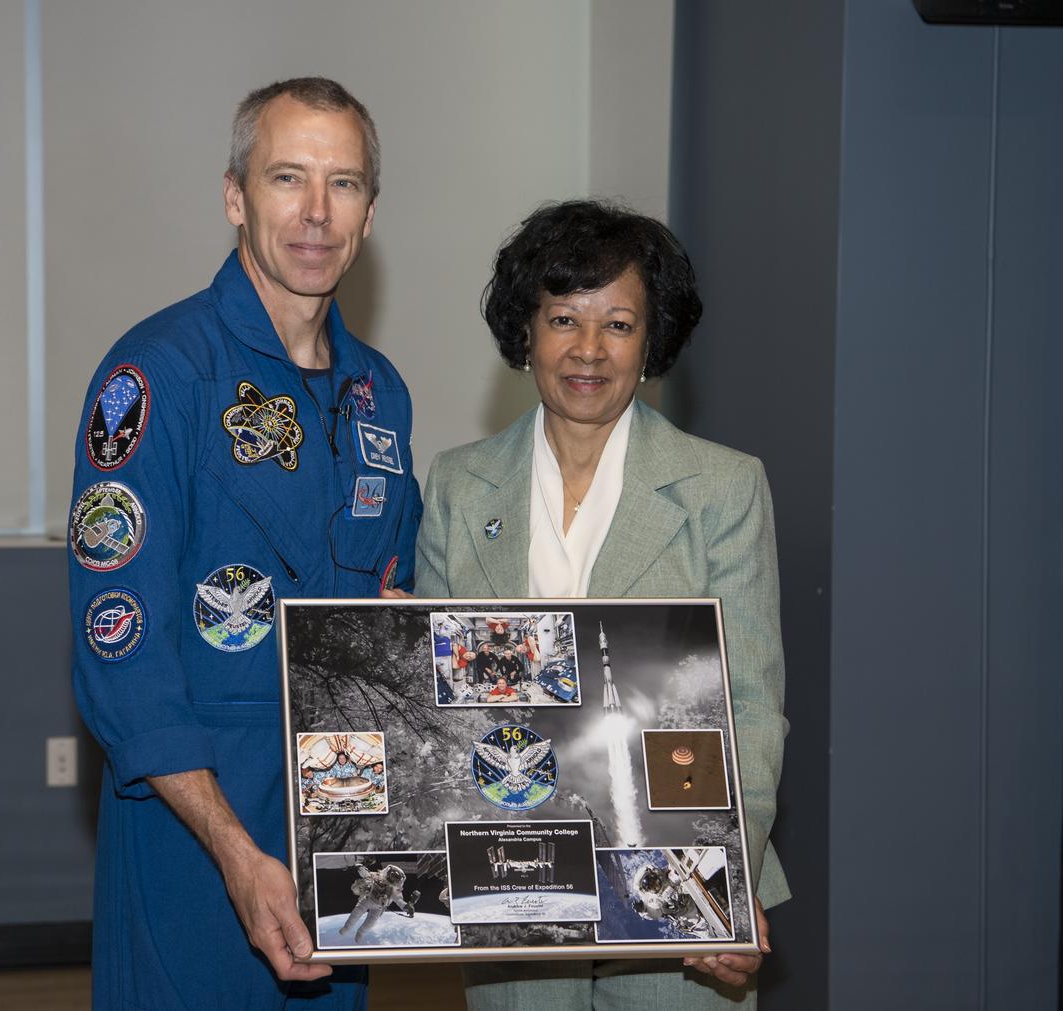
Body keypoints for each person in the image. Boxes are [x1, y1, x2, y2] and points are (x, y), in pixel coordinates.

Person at [69, 77, 421, 1011]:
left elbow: (395, 599)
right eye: (287, 178)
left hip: (344, 824)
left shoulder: (380, 395)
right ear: (235, 196)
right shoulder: (156, 376)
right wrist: (233, 850)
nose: (315, 212)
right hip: (198, 824)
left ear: (370, 212)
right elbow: (120, 642)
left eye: (343, 184)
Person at [414, 200, 787, 1008]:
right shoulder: (453, 484)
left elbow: (751, 705)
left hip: (672, 872)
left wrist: (722, 880)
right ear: (526, 333)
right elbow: (439, 708)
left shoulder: (724, 487)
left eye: (618, 324)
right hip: (511, 871)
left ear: (651, 343)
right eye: (562, 319)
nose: (588, 349)